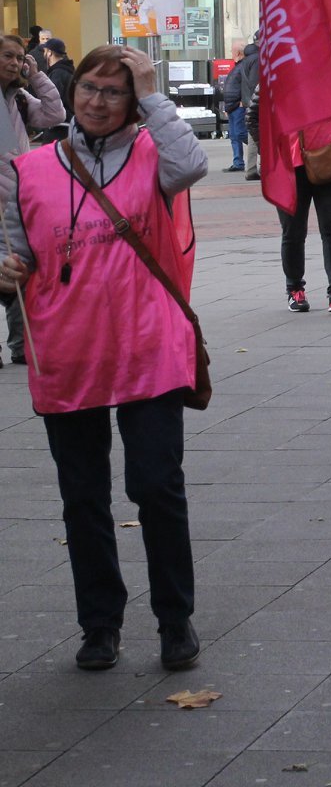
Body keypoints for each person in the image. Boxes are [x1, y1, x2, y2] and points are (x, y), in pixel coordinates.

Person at [0, 45, 208, 673]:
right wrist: (7, 271)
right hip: (67, 352)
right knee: (83, 496)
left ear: (132, 101)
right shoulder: (28, 168)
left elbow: (193, 163)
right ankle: (100, 624)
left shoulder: (154, 155)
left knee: (156, 486)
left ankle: (175, 618)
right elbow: (17, 253)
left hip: (149, 347)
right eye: (89, 87)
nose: (96, 101)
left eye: (113, 91)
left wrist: (151, 90)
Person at [261, 80, 331, 315]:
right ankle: (295, 289)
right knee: (293, 232)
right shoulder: (278, 76)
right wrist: (271, 152)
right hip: (289, 167)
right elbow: (254, 117)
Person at [0, 35, 65, 365]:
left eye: (19, 57)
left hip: (17, 200)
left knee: (18, 272)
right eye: (7, 56)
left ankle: (21, 344)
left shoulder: (18, 97)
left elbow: (54, 113)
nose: (14, 63)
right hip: (9, 196)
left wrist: (37, 76)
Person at [221, 40, 257, 171]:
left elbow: (246, 84)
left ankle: (260, 148)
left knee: (240, 133)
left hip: (238, 105)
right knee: (234, 135)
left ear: (238, 53)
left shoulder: (244, 65)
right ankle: (238, 162)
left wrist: (243, 100)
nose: (231, 53)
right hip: (232, 105)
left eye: (232, 50)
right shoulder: (238, 66)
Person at [39, 37, 74, 142]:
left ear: (49, 53)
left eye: (45, 51)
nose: (44, 54)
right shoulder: (69, 71)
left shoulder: (57, 74)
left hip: (58, 128)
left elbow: (52, 101)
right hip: (68, 125)